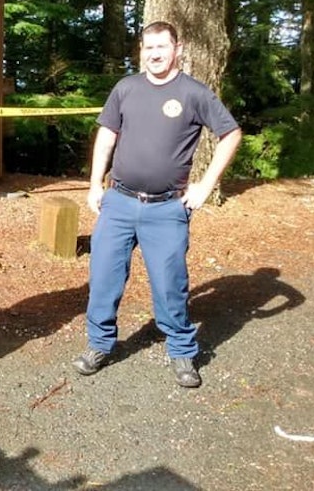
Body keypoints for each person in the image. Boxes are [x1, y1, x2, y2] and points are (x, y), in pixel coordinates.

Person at [73, 21, 242, 388]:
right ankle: (100, 343)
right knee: (103, 277)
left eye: (162, 47)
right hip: (118, 202)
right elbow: (106, 136)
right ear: (141, 51)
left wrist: (206, 184)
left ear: (177, 49)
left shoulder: (194, 93)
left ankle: (182, 351)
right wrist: (94, 184)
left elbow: (231, 133)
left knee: (170, 284)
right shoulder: (126, 88)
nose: (154, 55)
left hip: (166, 209)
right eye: (148, 48)